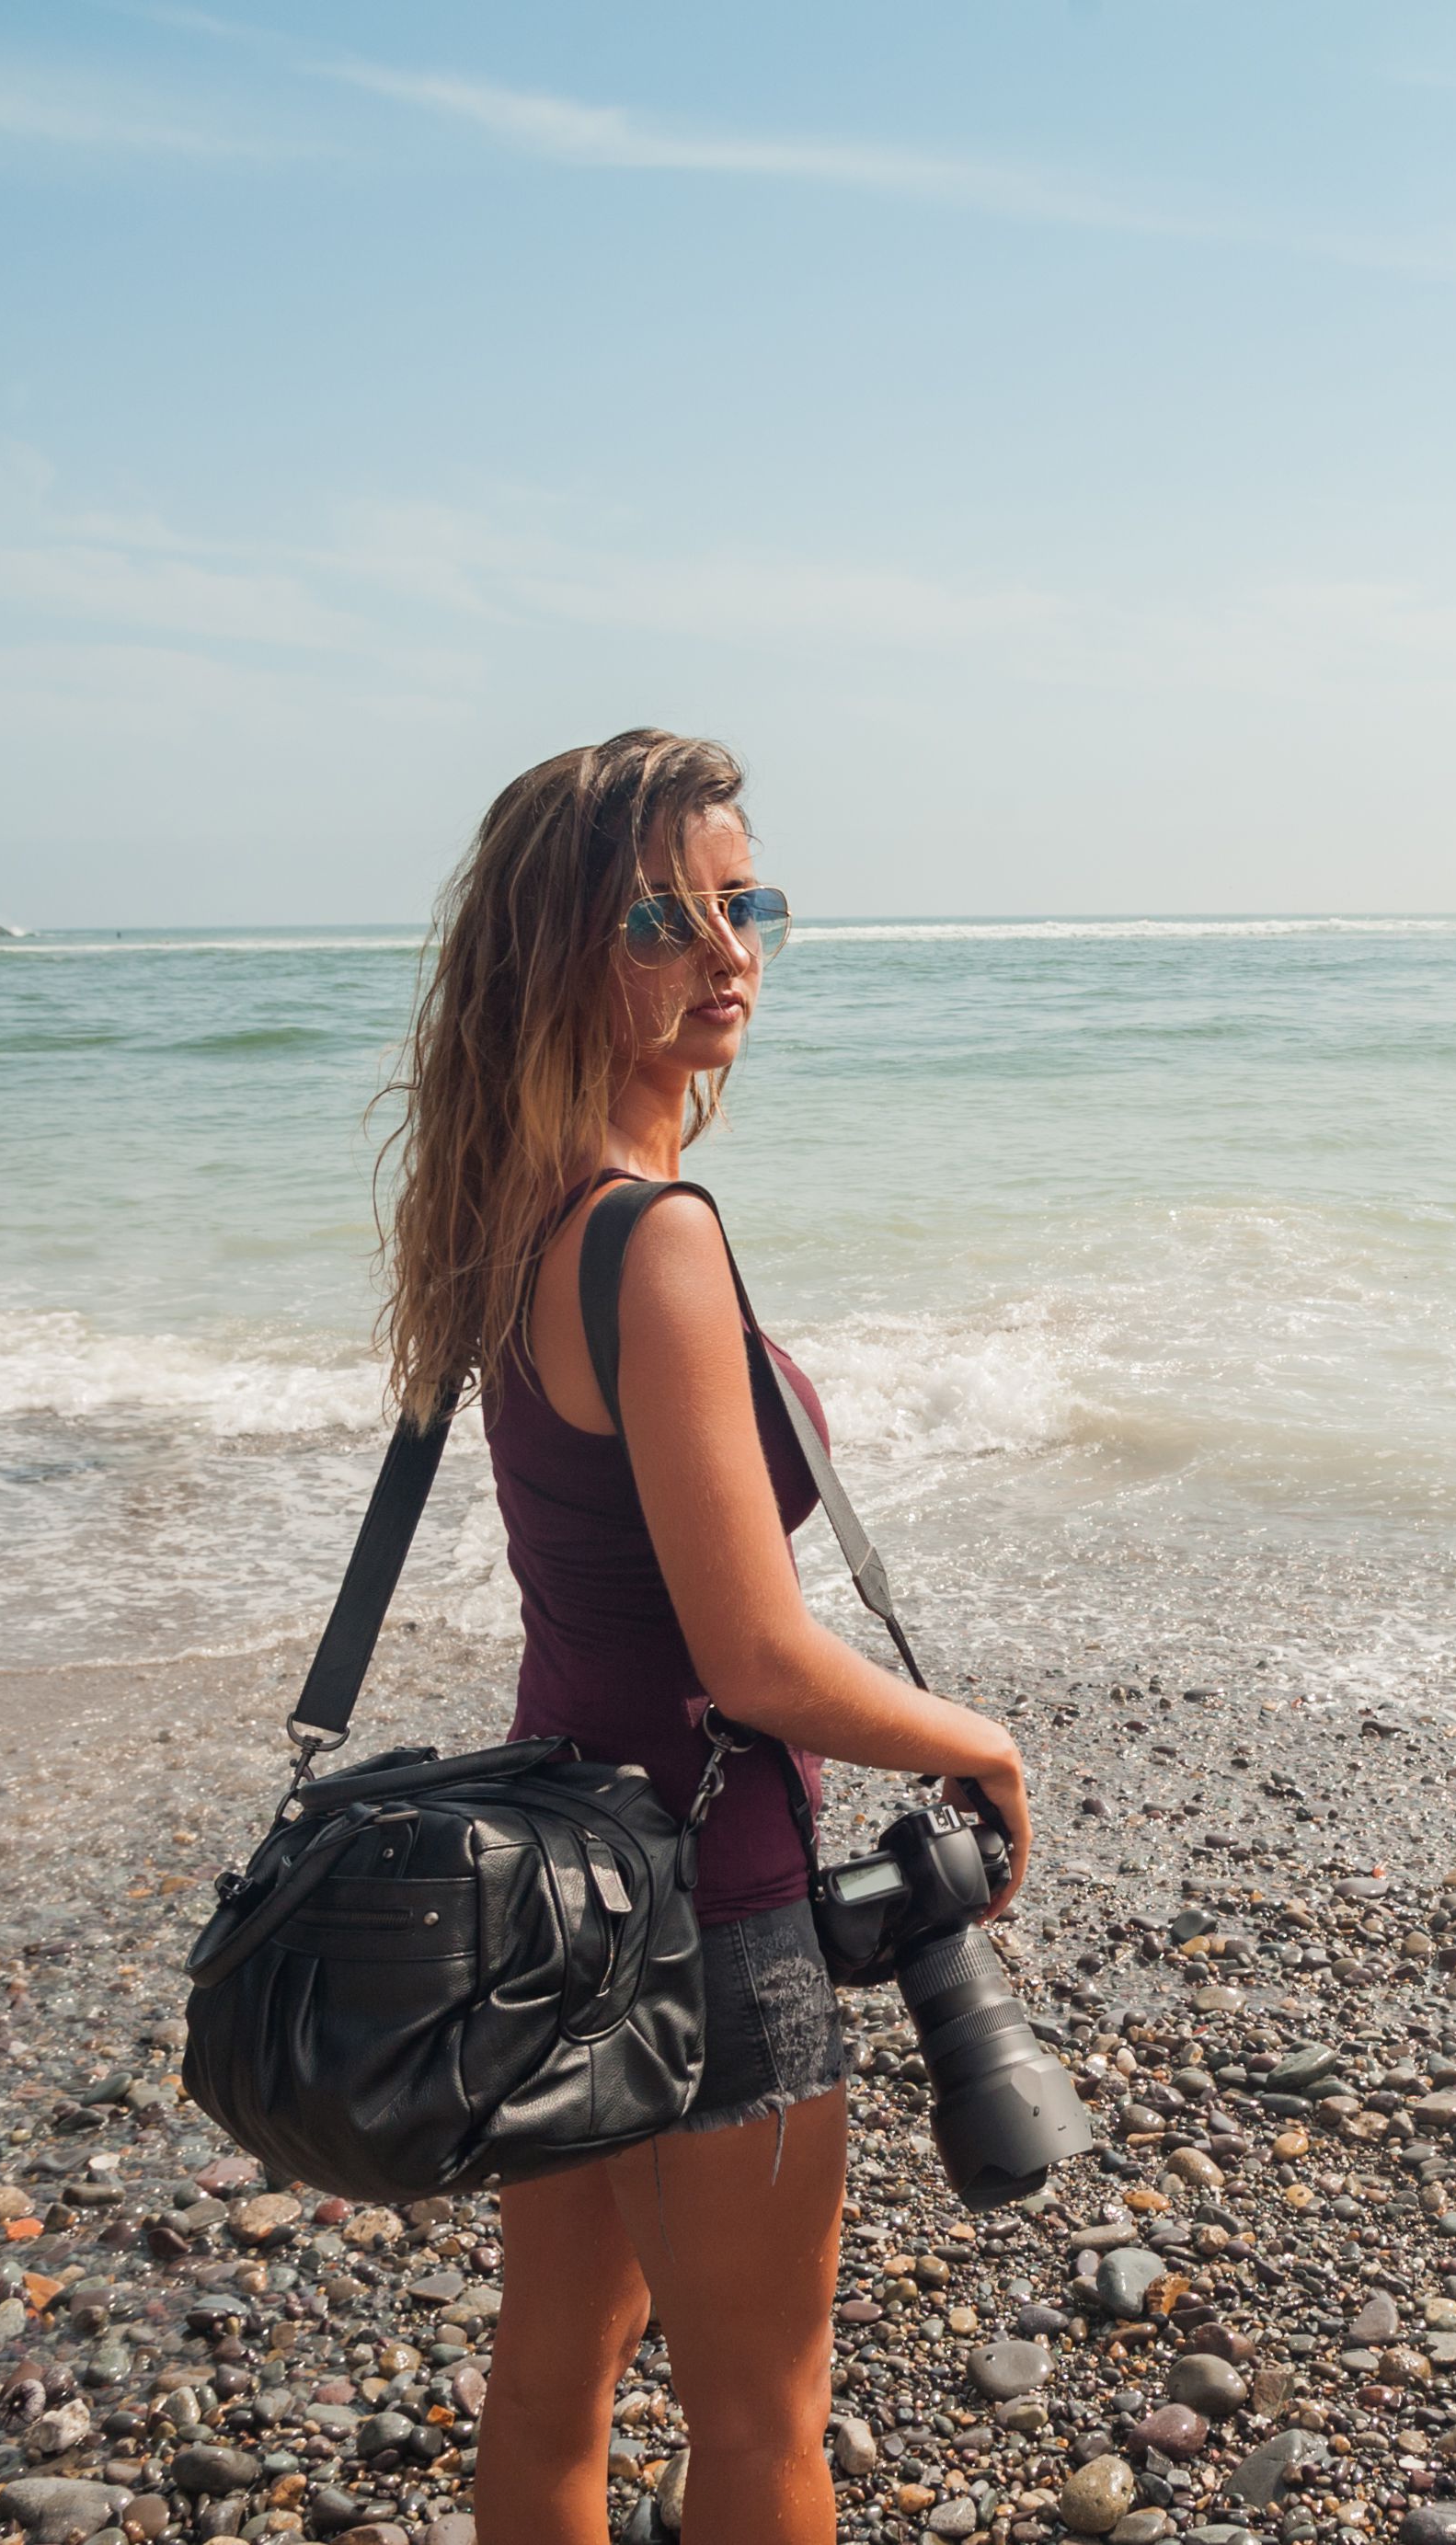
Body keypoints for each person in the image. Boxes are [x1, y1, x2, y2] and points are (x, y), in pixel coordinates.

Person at [374, 728, 1034, 2545]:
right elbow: (751, 1656)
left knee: (551, 2380)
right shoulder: (653, 1241)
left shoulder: (512, 1215)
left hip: (549, 1880)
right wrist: (970, 1741)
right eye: (668, 916)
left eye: (748, 906)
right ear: (564, 951)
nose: (728, 952)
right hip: (707, 1895)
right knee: (760, 2430)